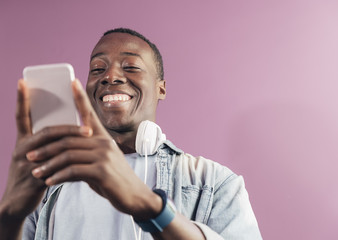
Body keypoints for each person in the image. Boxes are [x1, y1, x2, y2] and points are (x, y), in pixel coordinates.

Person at [0, 28, 262, 240]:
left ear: (161, 89)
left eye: (131, 66)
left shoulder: (214, 182)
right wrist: (9, 216)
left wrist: (150, 207)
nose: (110, 76)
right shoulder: (49, 185)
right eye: (97, 69)